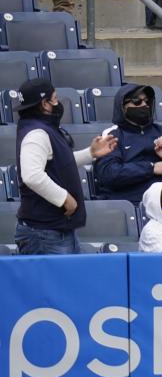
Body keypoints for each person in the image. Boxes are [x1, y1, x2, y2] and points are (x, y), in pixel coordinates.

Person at [14, 80, 116, 255]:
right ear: (44, 104)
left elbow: (58, 163)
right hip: (44, 233)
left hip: (55, 229)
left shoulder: (42, 128)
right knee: (53, 283)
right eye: (55, 98)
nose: (58, 103)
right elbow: (32, 175)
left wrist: (90, 153)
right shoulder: (36, 134)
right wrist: (64, 198)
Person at [95, 84, 162, 205]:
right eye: (137, 101)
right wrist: (151, 168)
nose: (144, 105)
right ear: (123, 106)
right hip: (132, 204)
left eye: (147, 101)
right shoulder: (112, 135)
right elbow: (108, 174)